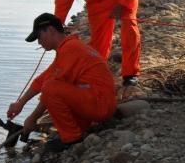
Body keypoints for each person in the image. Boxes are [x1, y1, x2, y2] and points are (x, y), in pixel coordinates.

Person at [7, 13, 117, 152]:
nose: (39, 42)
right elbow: (42, 79)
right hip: (97, 101)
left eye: (39, 37)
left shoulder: (70, 49)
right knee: (51, 85)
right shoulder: (67, 48)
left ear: (52, 31)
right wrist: (20, 104)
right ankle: (78, 129)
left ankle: (72, 139)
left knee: (51, 88)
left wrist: (32, 118)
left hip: (100, 105)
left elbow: (50, 90)